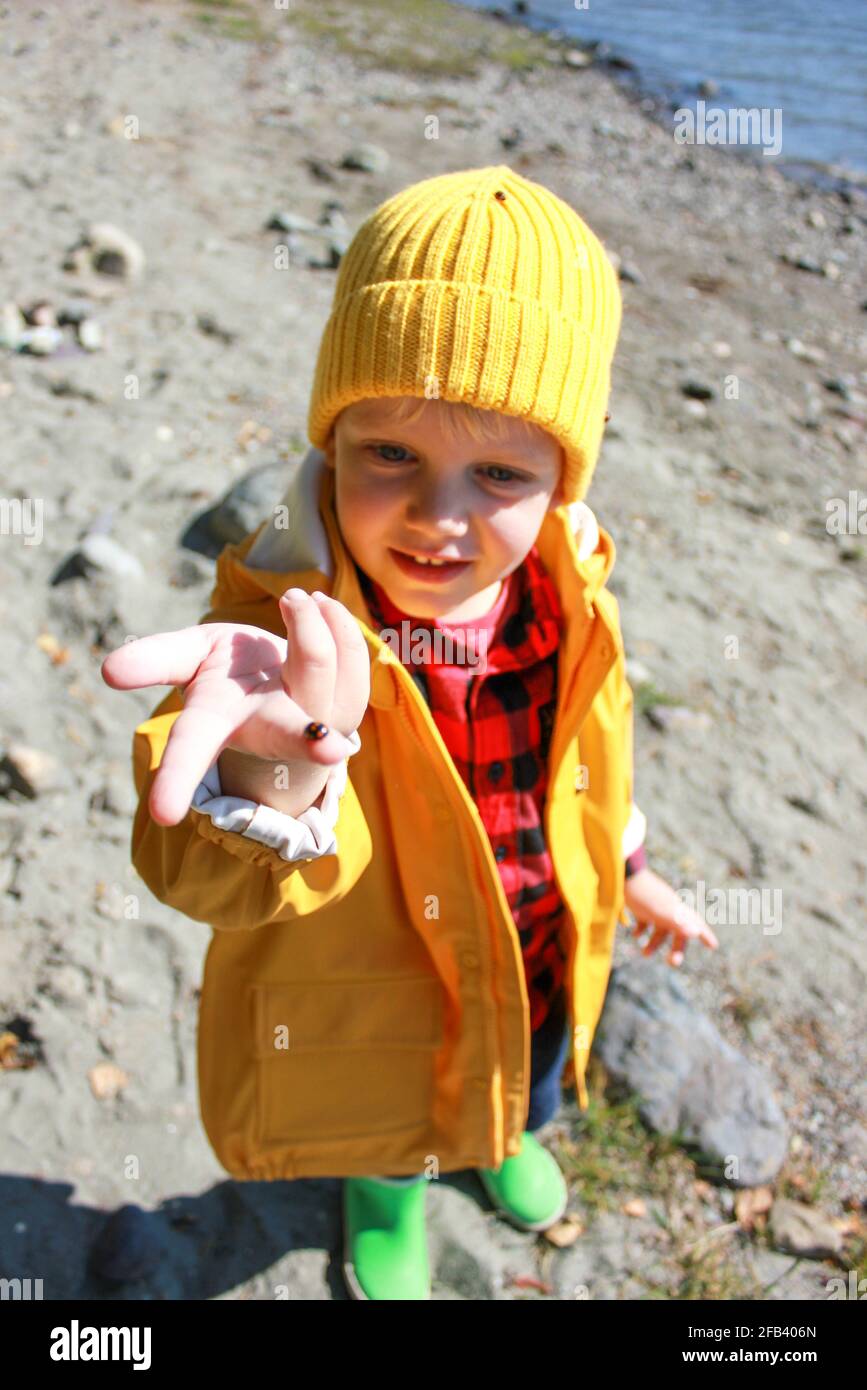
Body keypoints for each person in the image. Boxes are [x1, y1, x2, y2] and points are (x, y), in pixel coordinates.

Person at [101, 165, 718, 1300]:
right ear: (334, 437)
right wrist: (272, 775)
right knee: (392, 1114)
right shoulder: (273, 635)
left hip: (532, 941)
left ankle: (505, 1138)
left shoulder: (570, 583)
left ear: (563, 478)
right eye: (390, 453)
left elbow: (591, 751)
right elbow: (200, 875)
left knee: (527, 1073)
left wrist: (629, 864)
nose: (441, 518)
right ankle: (386, 1196)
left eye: (498, 472)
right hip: (381, 983)